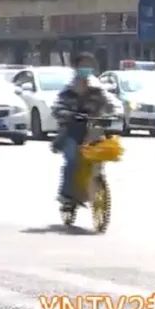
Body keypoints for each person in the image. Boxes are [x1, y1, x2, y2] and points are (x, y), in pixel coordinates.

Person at [51, 52, 109, 206]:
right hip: (71, 133)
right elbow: (57, 109)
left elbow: (109, 105)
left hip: (92, 132)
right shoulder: (68, 91)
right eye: (83, 65)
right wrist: (69, 115)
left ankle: (94, 186)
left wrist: (113, 114)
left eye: (89, 65)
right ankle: (66, 195)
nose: (86, 68)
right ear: (76, 68)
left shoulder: (97, 91)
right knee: (72, 161)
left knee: (99, 159)